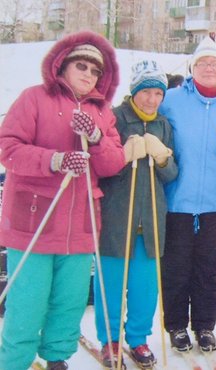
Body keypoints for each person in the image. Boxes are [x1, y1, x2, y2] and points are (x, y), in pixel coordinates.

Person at [0, 31, 125, 370]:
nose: (88, 75)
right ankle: (14, 362)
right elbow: (8, 149)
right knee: (27, 303)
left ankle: (57, 358)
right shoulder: (33, 99)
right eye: (81, 66)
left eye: (95, 71)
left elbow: (113, 163)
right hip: (35, 223)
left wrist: (97, 137)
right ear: (63, 67)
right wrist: (54, 160)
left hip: (80, 227)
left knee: (69, 303)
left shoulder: (103, 112)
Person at [159, 36, 216, 353]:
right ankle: (176, 326)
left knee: (209, 269)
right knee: (176, 267)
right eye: (203, 63)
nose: (209, 68)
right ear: (192, 68)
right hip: (177, 199)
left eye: (215, 63)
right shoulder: (171, 100)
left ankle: (205, 326)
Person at [93, 59, 178, 369]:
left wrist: (163, 156)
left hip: (152, 219)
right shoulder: (114, 119)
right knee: (112, 284)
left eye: (158, 93)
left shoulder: (164, 125)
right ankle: (110, 339)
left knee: (145, 287)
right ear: (134, 91)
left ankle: (138, 338)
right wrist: (122, 156)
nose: (152, 99)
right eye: (147, 92)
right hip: (117, 218)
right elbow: (99, 168)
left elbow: (171, 174)